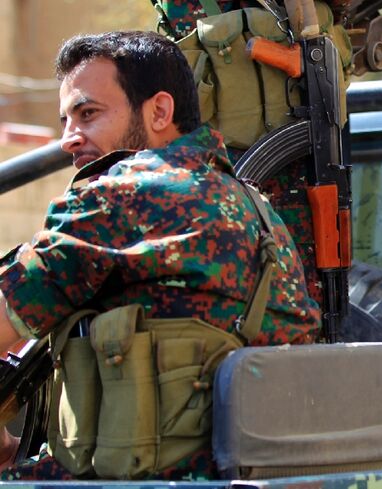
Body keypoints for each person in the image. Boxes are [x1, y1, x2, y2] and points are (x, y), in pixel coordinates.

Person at [0, 31, 320, 480]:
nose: (70, 139)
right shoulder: (258, 210)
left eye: (88, 114)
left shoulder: (119, 197)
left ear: (159, 111)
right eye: (65, 122)